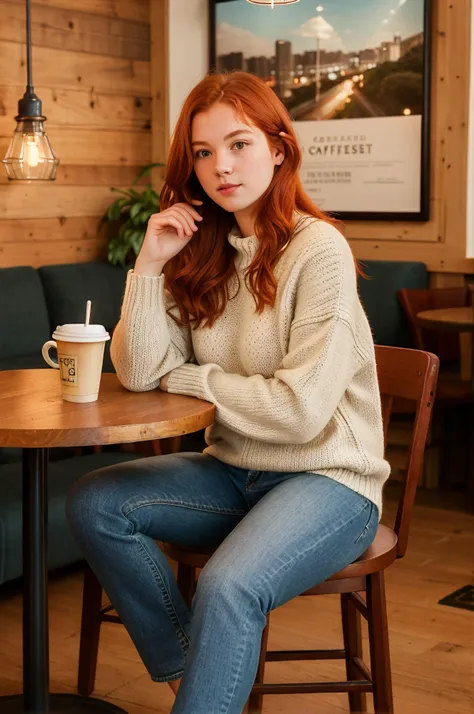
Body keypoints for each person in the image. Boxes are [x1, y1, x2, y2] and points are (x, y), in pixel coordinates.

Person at [67, 71, 390, 714]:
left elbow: (300, 413)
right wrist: (150, 264)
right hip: (234, 471)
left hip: (330, 482)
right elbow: (137, 371)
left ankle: (209, 685)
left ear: (278, 148)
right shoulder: (206, 251)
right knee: (96, 501)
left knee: (227, 586)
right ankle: (200, 674)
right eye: (204, 152)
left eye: (239, 144)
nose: (222, 166)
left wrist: (184, 377)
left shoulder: (317, 249)